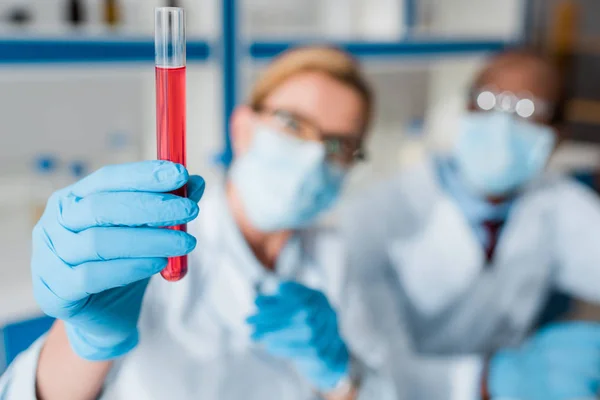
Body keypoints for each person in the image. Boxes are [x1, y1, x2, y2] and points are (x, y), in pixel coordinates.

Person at [0, 47, 399, 400]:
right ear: (243, 127)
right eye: (292, 123)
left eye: (338, 145)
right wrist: (86, 339)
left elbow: (384, 390)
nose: (313, 157)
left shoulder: (336, 257)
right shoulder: (157, 237)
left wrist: (338, 374)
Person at [341, 49, 600, 400]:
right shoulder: (379, 212)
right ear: (465, 108)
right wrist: (484, 379)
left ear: (558, 136)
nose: (501, 121)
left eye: (527, 109)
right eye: (488, 100)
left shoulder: (556, 203)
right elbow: (367, 365)